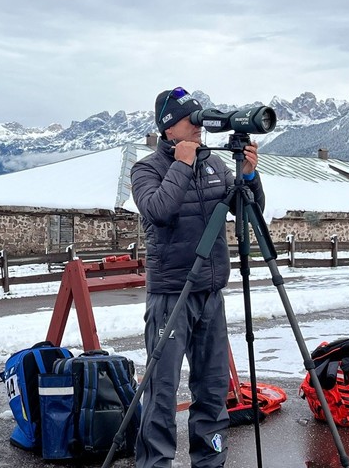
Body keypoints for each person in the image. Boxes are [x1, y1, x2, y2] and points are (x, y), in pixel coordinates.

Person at [130, 87, 265, 468]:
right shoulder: (146, 169)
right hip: (171, 293)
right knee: (162, 390)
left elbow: (249, 211)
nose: (199, 127)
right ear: (169, 127)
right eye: (192, 120)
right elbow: (158, 210)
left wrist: (250, 178)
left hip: (210, 292)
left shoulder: (214, 164)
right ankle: (155, 463)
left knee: (211, 388)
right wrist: (182, 165)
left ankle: (211, 461)